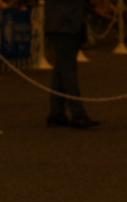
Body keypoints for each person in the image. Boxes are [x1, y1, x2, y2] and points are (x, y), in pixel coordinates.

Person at [44, 0, 100, 128]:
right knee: (68, 71)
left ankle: (56, 112)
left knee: (61, 69)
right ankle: (78, 114)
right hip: (65, 24)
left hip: (64, 23)